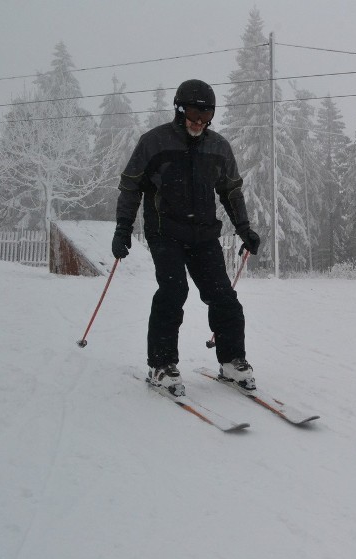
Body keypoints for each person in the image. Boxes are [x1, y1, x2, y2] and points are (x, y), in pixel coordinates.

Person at [111, 79, 261, 397]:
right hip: (165, 232)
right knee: (173, 289)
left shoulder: (218, 147)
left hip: (204, 234)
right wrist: (123, 227)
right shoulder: (155, 142)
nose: (199, 121)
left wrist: (244, 229)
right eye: (194, 113)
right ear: (179, 110)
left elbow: (231, 192)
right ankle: (161, 365)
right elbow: (130, 185)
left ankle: (232, 360)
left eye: (206, 116)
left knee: (223, 295)